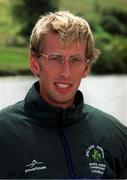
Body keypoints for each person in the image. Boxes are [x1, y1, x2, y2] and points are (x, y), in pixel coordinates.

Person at [0, 11, 127, 179]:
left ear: (86, 68)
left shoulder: (115, 135)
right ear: (35, 64)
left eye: (75, 60)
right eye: (55, 58)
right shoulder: (4, 133)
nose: (66, 73)